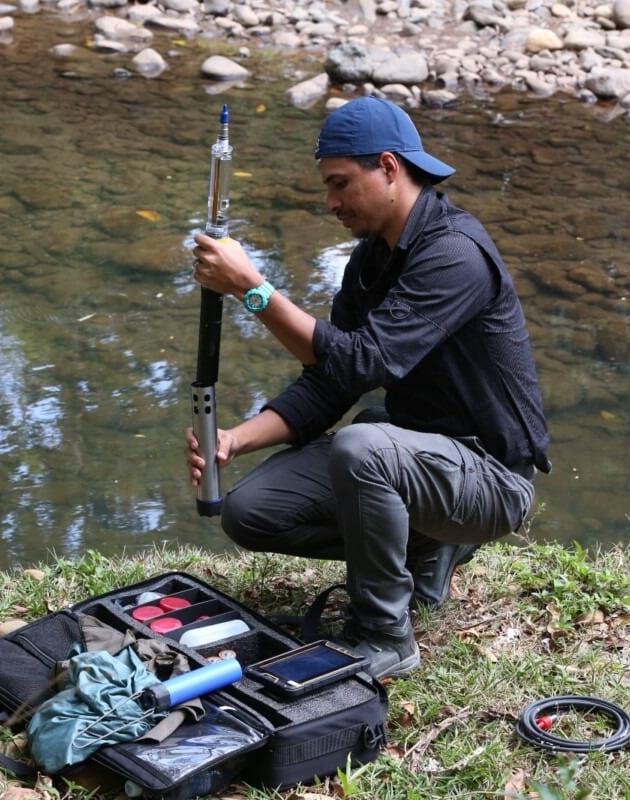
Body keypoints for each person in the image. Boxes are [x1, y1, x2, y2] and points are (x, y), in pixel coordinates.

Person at [185, 96, 550, 681]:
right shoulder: (370, 261)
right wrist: (234, 440)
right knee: (249, 513)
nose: (330, 203)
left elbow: (363, 363)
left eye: (339, 184)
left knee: (362, 446)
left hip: (491, 478)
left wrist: (253, 289)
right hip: (416, 456)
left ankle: (385, 636)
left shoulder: (455, 253)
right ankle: (422, 559)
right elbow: (330, 383)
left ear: (387, 166)